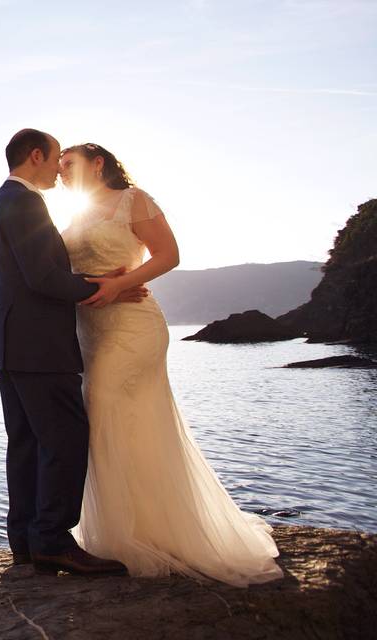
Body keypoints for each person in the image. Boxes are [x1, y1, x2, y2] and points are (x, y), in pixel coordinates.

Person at [59, 143, 283, 586]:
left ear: (97, 162)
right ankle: (128, 532)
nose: (62, 171)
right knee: (116, 420)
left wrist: (121, 282)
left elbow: (168, 255)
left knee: (104, 407)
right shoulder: (75, 215)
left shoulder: (134, 200)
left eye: (69, 163)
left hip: (132, 324)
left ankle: (138, 538)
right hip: (91, 329)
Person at [0, 129, 146, 576]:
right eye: (55, 159)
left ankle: (27, 543)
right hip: (37, 343)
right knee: (65, 436)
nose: (58, 168)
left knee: (28, 442)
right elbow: (43, 277)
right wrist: (104, 288)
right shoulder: (25, 201)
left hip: (10, 340)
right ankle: (53, 539)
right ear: (36, 155)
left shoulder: (7, 199)